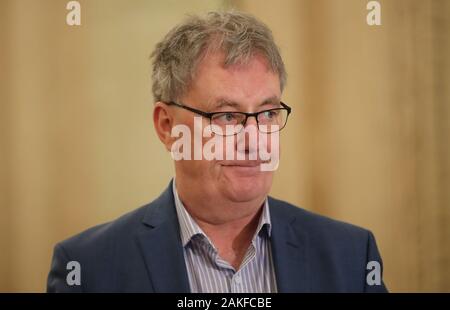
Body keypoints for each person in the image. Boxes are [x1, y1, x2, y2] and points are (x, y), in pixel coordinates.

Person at [47, 11, 387, 293]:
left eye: (268, 113)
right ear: (167, 126)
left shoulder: (351, 257)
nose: (254, 139)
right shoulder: (88, 269)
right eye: (226, 116)